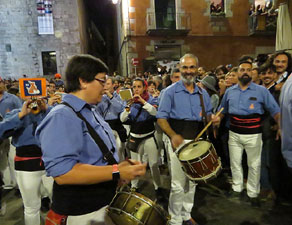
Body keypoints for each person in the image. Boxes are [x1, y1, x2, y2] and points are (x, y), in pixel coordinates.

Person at [36, 54, 146, 225]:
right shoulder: (62, 116)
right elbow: (64, 173)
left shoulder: (90, 110)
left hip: (101, 204)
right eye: (102, 81)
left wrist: (117, 171)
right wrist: (116, 171)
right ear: (83, 81)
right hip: (82, 211)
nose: (105, 87)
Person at [157, 53, 215, 225]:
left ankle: (186, 214)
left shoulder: (202, 94)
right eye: (185, 67)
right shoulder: (170, 92)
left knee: (193, 182)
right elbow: (161, 118)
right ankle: (174, 219)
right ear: (180, 69)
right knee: (177, 184)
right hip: (178, 140)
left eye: (191, 67)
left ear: (197, 69)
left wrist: (212, 119)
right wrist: (173, 135)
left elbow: (208, 115)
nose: (188, 71)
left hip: (197, 141)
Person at [217, 61, 280, 207]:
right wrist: (217, 118)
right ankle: (237, 188)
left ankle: (252, 193)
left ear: (252, 72)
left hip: (253, 134)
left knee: (254, 165)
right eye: (242, 69)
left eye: (248, 70)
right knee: (235, 163)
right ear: (238, 72)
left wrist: (281, 126)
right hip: (234, 133)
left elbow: (275, 110)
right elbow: (222, 110)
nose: (245, 72)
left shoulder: (261, 91)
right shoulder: (230, 91)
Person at [0, 98, 53, 225]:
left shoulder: (53, 111)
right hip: (27, 164)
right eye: (30, 97)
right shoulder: (17, 113)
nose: (34, 101)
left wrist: (47, 109)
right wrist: (21, 114)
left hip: (53, 163)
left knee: (62, 204)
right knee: (31, 207)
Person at [120, 78, 163, 200]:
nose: (136, 89)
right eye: (134, 87)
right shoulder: (129, 102)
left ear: (144, 87)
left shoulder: (151, 99)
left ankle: (158, 187)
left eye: (139, 86)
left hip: (148, 136)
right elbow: (122, 119)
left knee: (154, 164)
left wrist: (143, 101)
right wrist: (128, 107)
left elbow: (154, 112)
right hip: (134, 137)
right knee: (135, 164)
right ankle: (134, 186)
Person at [97, 77, 128, 161]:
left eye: (108, 84)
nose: (105, 86)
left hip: (117, 126)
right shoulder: (100, 98)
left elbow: (120, 108)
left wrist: (110, 97)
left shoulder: (120, 96)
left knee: (119, 151)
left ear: (114, 85)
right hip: (105, 126)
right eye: (104, 84)